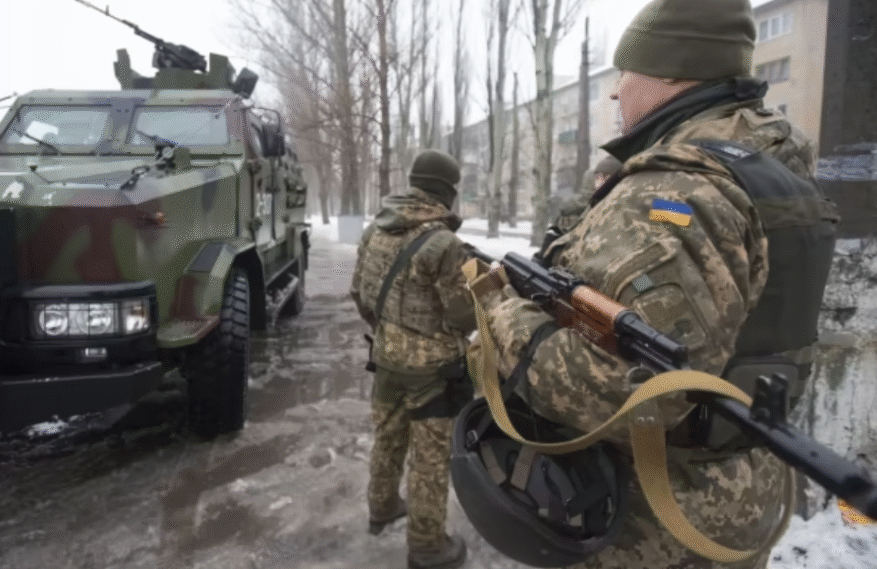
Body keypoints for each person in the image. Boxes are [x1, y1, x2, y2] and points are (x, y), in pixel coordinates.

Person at [460, 0, 838, 567]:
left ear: (667, 73)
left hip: (651, 518)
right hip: (738, 488)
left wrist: (504, 315)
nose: (615, 94)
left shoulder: (672, 191)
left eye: (624, 75)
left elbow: (624, 391)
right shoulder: (769, 170)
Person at [350, 149, 476, 569]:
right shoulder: (443, 243)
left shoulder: (375, 229)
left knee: (387, 438)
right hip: (433, 372)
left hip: (385, 357)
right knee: (429, 459)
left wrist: (391, 330)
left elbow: (361, 295)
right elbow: (462, 318)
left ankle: (381, 507)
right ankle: (426, 548)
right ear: (446, 192)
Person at [554, 155, 623, 233]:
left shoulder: (620, 204)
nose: (601, 181)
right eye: (598, 177)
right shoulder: (581, 205)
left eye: (606, 177)